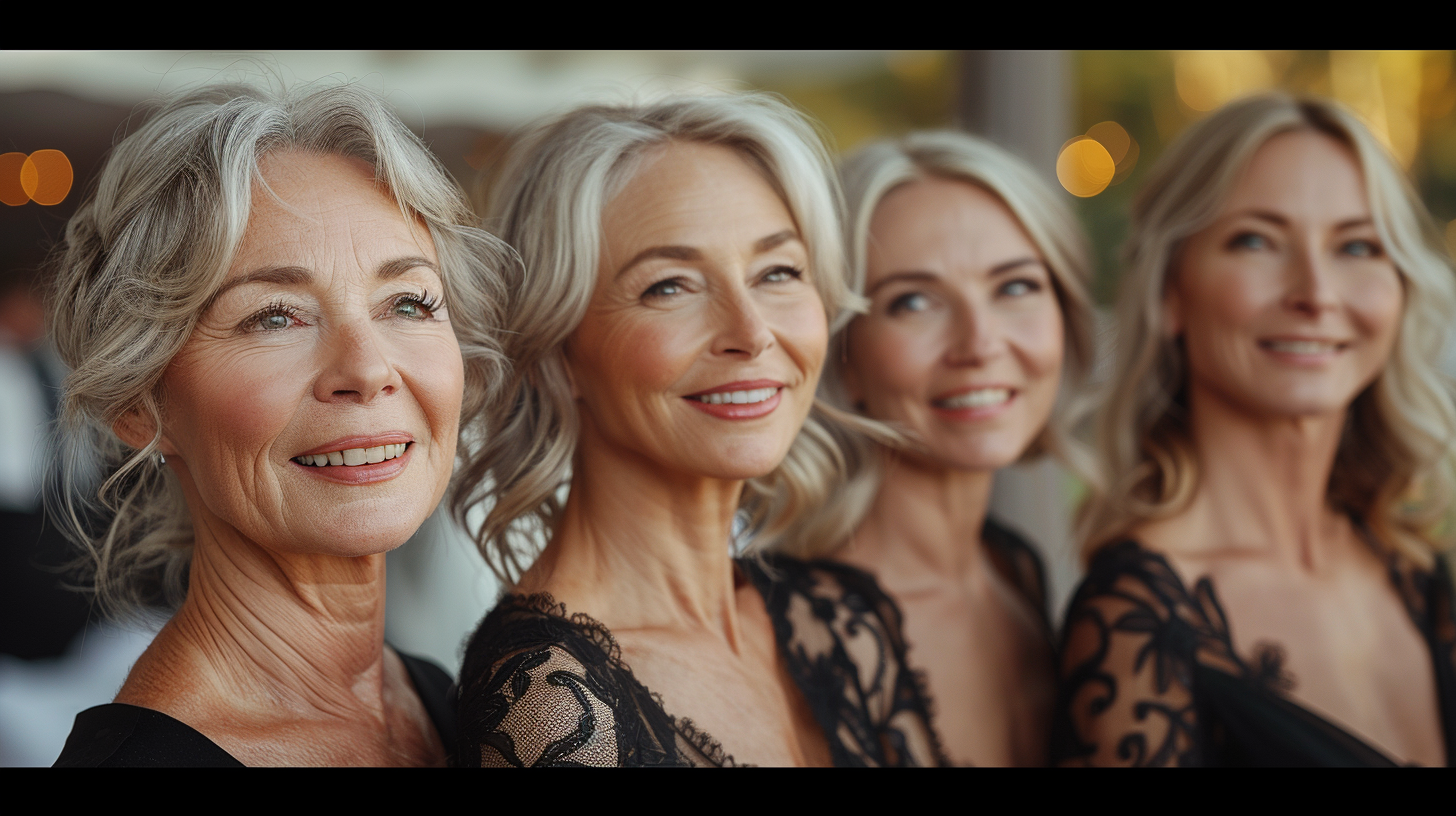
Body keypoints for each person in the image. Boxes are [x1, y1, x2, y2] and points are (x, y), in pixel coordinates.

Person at [452, 94, 946, 767]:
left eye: (778, 272)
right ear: (558, 353)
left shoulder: (839, 618)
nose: (751, 333)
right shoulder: (550, 699)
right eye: (670, 286)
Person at [48, 80, 515, 766]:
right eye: (275, 316)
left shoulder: (451, 703)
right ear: (140, 403)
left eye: (409, 303)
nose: (367, 368)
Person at [1054, 93, 1456, 767]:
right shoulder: (1138, 621)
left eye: (1358, 245)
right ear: (1170, 292)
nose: (1316, 293)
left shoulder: (1415, 572)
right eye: (1256, 241)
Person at [770, 131, 1095, 765]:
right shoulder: (793, 629)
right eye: (914, 301)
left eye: (1016, 286)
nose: (979, 344)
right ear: (841, 353)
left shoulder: (1013, 572)